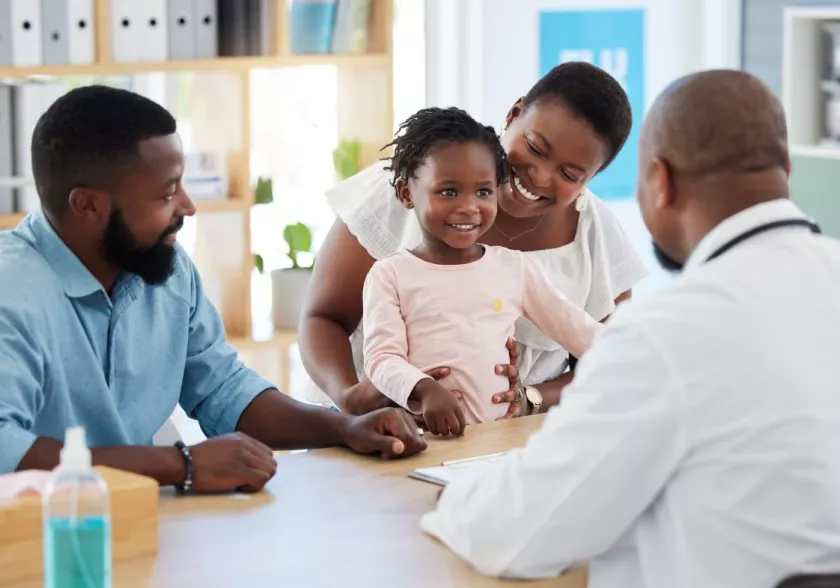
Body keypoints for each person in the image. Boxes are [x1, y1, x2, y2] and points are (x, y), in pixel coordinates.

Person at [420, 70, 840, 588]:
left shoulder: (666, 333)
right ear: (787, 170)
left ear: (659, 180)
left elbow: (516, 537)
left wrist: (462, 498)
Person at [0, 85, 427, 491]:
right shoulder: (13, 289)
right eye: (167, 193)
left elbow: (223, 390)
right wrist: (181, 466)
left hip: (131, 524)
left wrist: (343, 426)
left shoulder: (166, 270)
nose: (187, 205)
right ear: (88, 205)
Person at [299, 62, 648, 420]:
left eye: (569, 174)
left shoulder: (594, 235)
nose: (540, 177)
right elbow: (324, 318)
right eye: (535, 147)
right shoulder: (412, 183)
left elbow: (610, 358)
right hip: (374, 431)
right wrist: (352, 399)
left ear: (592, 177)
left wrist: (529, 398)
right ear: (514, 113)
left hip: (504, 443)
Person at [363, 107, 602, 437]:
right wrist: (424, 390)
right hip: (422, 441)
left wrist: (648, 353)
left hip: (497, 443)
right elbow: (381, 358)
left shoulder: (514, 268)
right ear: (407, 194)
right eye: (448, 191)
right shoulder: (389, 275)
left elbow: (581, 332)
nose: (469, 206)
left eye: (484, 191)